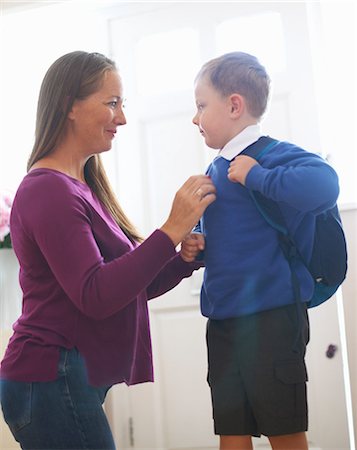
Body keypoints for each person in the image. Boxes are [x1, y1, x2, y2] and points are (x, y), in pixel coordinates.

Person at [0, 50, 216, 450]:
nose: (122, 118)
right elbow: (96, 295)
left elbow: (124, 288)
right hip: (48, 374)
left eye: (123, 104)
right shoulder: (48, 189)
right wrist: (170, 229)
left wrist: (182, 261)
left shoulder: (80, 186)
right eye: (111, 103)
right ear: (70, 106)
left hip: (62, 375)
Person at [181, 52, 340, 450]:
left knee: (282, 428)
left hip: (272, 318)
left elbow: (326, 185)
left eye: (201, 106)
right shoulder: (216, 169)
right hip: (223, 320)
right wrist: (196, 244)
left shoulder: (269, 155)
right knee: (231, 429)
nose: (195, 118)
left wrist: (258, 176)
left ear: (234, 105)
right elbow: (228, 230)